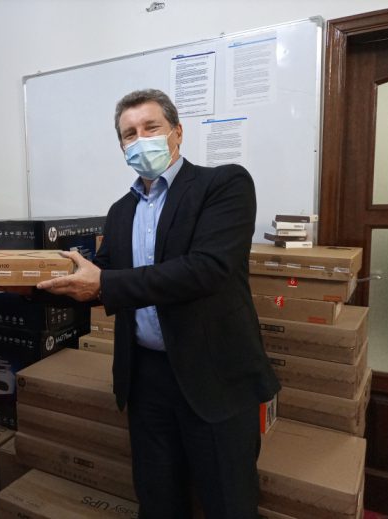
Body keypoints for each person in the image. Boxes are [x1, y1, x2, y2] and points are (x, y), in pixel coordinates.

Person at [37, 89, 280, 518]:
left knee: (228, 501)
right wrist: (35, 281)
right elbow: (101, 281)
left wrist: (104, 281)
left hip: (214, 375)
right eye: (129, 134)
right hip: (146, 378)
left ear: (177, 133)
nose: (140, 139)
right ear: (121, 146)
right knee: (157, 499)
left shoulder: (224, 185)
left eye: (151, 127)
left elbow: (206, 270)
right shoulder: (120, 211)